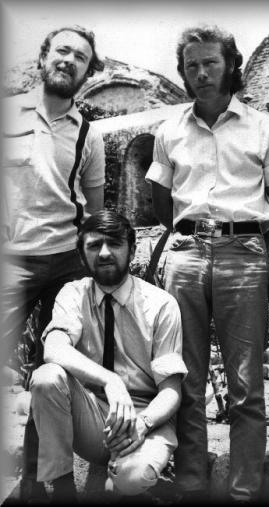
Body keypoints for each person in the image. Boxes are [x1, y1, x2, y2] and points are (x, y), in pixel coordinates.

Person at [146, 25, 269, 503]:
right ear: (183, 72)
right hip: (186, 255)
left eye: (211, 62)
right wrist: (192, 236)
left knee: (246, 383)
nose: (201, 73)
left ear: (231, 65)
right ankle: (192, 482)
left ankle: (243, 489)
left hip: (244, 255)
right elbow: (161, 203)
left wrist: (248, 243)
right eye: (191, 65)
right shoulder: (169, 131)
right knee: (186, 376)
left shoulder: (264, 128)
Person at [1, 25, 105, 501]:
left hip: (65, 263)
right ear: (44, 56)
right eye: (62, 50)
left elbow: (96, 214)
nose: (69, 60)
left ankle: (36, 483)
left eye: (80, 57)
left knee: (54, 372)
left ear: (88, 71)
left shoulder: (87, 134)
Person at [29, 209, 187, 503]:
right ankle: (63, 491)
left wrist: (143, 424)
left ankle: (125, 480)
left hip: (145, 417)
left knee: (132, 478)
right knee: (46, 377)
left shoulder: (161, 304)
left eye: (114, 243)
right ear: (82, 255)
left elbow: (171, 391)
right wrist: (110, 381)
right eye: (94, 245)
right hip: (94, 416)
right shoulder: (73, 294)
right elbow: (54, 348)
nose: (104, 253)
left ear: (132, 250)